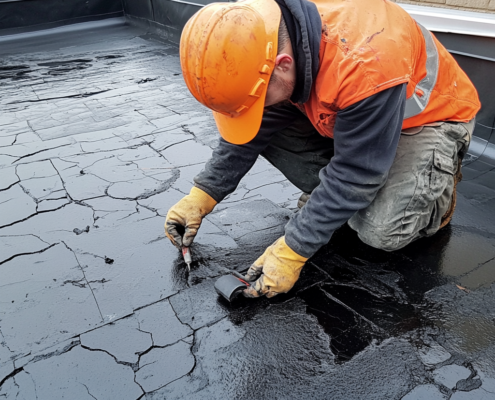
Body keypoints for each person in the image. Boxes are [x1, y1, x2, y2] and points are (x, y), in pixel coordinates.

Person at [165, 0, 480, 298]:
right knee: (267, 119)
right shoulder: (260, 30)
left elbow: (356, 172)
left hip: (428, 119)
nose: (255, 109)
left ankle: (432, 196)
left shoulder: (365, 64)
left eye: (255, 100)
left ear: (283, 64)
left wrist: (293, 249)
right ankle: (343, 199)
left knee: (382, 232)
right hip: (355, 113)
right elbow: (251, 128)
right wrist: (203, 194)